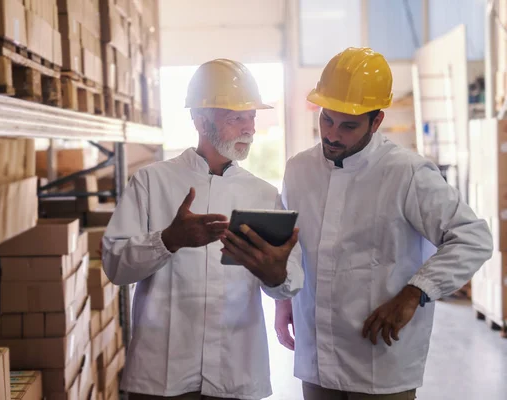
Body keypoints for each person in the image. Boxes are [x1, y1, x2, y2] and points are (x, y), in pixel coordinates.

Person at [274, 47, 493, 400]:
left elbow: (474, 237)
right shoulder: (299, 170)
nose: (332, 135)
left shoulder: (405, 173)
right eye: (326, 119)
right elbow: (291, 245)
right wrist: (283, 301)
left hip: (379, 359)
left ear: (376, 122)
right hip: (317, 351)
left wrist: (415, 292)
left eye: (348, 126)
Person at [102, 58, 304, 400]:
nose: (249, 128)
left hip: (235, 375)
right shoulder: (152, 183)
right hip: (161, 377)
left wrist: (276, 275)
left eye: (252, 116)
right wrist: (168, 240)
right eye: (235, 118)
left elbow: (290, 283)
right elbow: (115, 267)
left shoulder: (264, 195)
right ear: (199, 120)